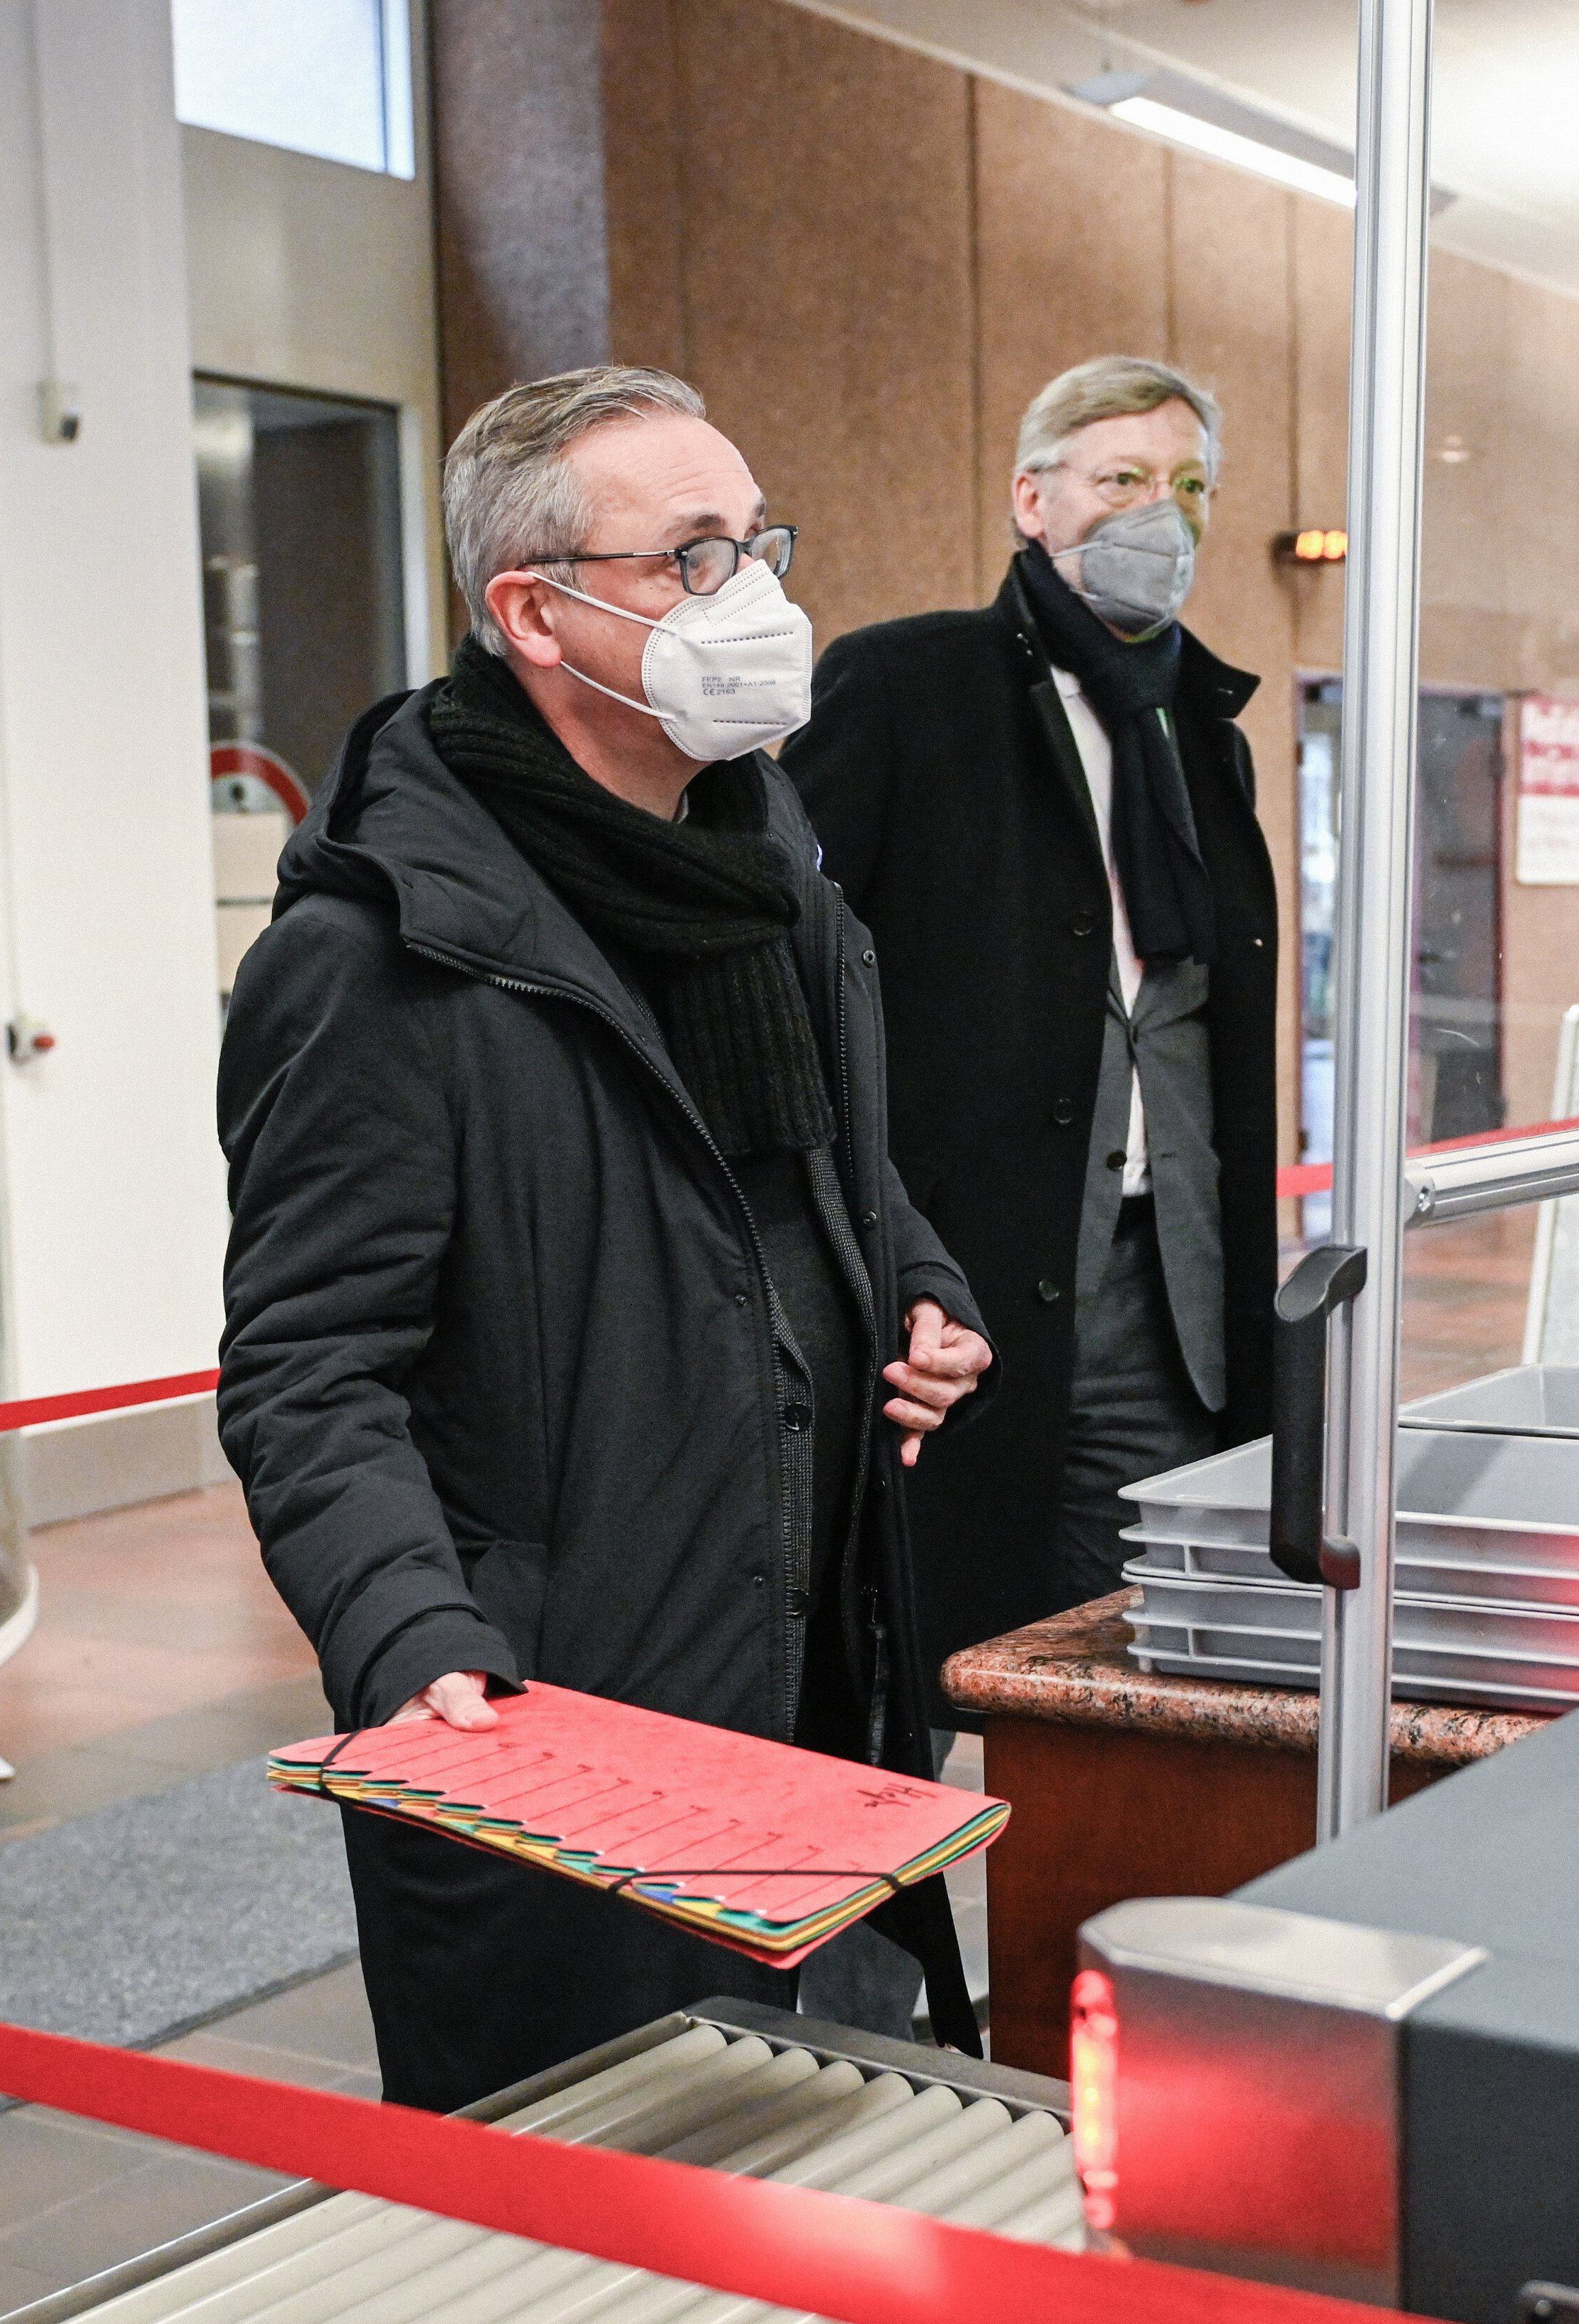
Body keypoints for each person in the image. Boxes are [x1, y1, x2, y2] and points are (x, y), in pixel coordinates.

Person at [220, 366, 997, 2111]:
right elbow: (305, 1365)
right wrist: (415, 1638)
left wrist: (919, 1285)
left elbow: (821, 1174)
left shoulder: (760, 875)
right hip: (563, 1722)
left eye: (762, 542)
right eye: (694, 557)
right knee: (596, 2230)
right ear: (536, 615)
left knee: (832, 2170)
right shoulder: (382, 959)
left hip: (814, 1675)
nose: (761, 598)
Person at [783, 358, 1283, 1661]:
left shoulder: (1204, 731)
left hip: (1169, 1283)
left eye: (1188, 486)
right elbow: (798, 967)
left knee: (1152, 1638)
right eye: (1120, 479)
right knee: (956, 1638)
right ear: (1031, 497)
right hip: (970, 1276)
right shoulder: (908, 687)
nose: (1157, 513)